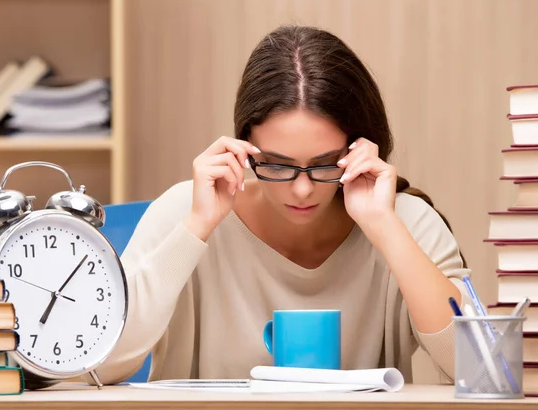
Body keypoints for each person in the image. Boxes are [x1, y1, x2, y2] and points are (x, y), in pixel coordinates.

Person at [93, 25, 472, 385]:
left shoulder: (403, 220)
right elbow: (99, 363)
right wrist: (197, 227)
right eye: (277, 164)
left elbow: (479, 369)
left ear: (359, 148)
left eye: (325, 164)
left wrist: (385, 229)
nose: (302, 189)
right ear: (244, 148)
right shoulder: (186, 209)